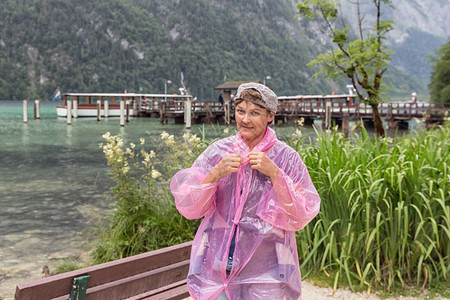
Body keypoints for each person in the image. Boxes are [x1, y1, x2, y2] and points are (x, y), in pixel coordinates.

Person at [170, 82, 321, 299]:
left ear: (270, 116)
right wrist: (215, 174)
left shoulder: (286, 158)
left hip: (267, 269)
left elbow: (302, 212)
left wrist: (275, 174)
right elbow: (189, 204)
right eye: (240, 111)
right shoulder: (218, 152)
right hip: (219, 264)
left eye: (254, 113)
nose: (245, 119)